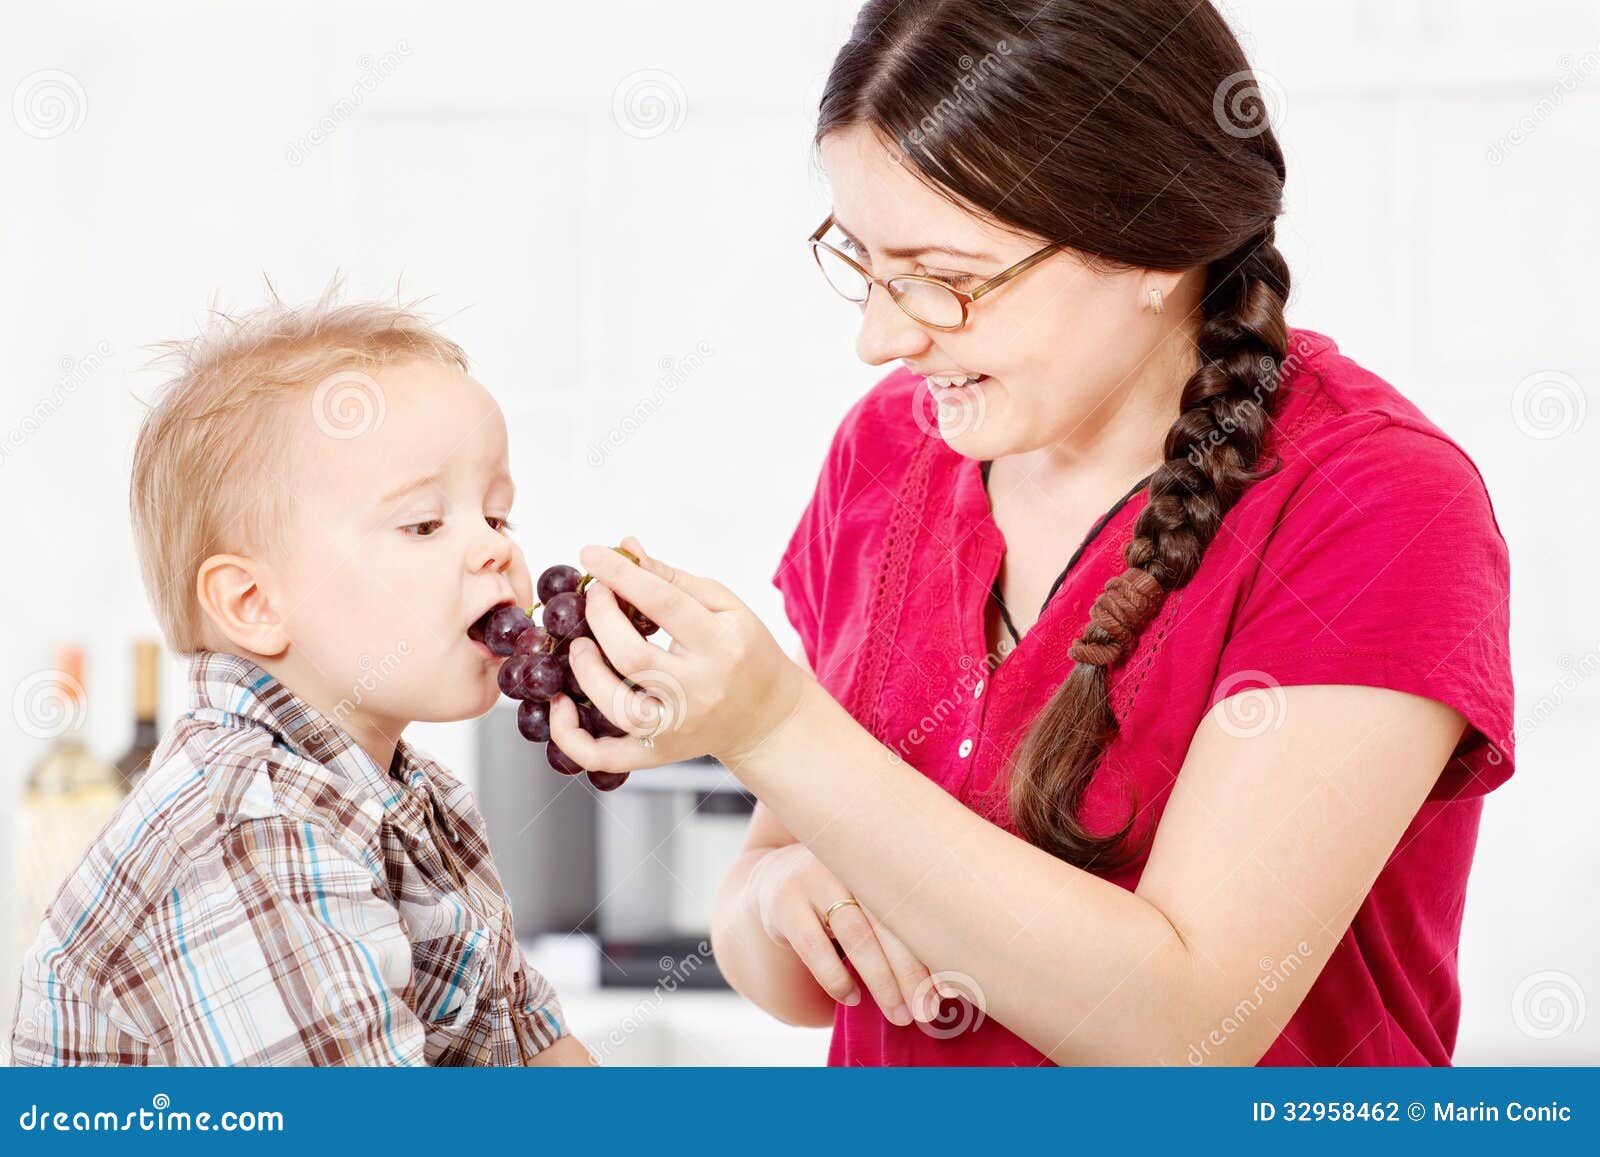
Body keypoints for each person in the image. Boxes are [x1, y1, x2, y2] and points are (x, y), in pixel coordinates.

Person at [548, 0, 1515, 1065]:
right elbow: (778, 963)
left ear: (1155, 244)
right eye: (864, 263)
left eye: (947, 279)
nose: (880, 337)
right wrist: (781, 893)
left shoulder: (1377, 505)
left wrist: (773, 727)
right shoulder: (888, 448)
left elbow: (1186, 1030)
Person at [10, 291, 589, 1066]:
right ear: (253, 603)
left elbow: (536, 1053)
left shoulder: (423, 804)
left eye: (497, 516)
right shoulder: (246, 831)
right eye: (424, 523)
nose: (495, 549)